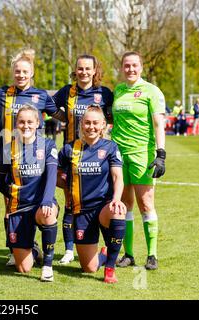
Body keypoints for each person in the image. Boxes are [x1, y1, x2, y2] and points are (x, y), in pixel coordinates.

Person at [0, 49, 65, 266]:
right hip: (8, 155)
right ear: (13, 73)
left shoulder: (41, 96)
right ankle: (15, 248)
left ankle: (33, 243)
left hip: (34, 158)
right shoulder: (2, 94)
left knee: (36, 200)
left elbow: (60, 114)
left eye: (25, 72)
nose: (21, 75)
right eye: (17, 71)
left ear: (32, 73)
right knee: (10, 203)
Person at [52, 54, 113, 265]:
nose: (84, 72)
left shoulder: (104, 93)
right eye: (80, 68)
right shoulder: (66, 92)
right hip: (72, 155)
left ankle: (107, 246)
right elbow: (50, 107)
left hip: (97, 156)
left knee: (101, 199)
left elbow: (111, 116)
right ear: (75, 70)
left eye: (88, 69)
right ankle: (69, 249)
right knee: (70, 201)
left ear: (95, 71)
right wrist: (65, 119)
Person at [57, 106, 126, 283]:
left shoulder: (110, 147)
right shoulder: (69, 149)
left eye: (96, 123)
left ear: (103, 125)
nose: (91, 127)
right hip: (81, 211)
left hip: (104, 207)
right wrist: (68, 188)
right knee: (89, 268)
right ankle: (103, 256)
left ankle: (110, 267)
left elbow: (118, 177)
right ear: (81, 124)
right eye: (87, 122)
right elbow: (56, 176)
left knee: (118, 211)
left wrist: (117, 199)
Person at [111, 51, 166, 270]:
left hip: (142, 154)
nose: (130, 69)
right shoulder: (119, 90)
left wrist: (161, 153)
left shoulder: (151, 91)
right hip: (118, 155)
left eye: (134, 65)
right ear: (122, 68)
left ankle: (152, 255)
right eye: (126, 66)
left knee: (146, 204)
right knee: (124, 205)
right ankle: (129, 254)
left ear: (141, 67)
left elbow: (158, 124)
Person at [0, 105, 58, 282]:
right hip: (19, 207)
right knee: (23, 268)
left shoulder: (48, 145)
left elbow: (52, 177)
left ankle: (47, 265)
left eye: (30, 121)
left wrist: (46, 201)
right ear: (16, 124)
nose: (26, 125)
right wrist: (14, 193)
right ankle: (34, 249)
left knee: (49, 213)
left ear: (38, 123)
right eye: (21, 122)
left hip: (41, 205)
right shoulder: (8, 148)